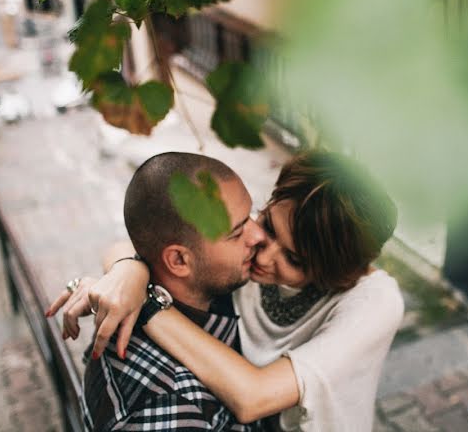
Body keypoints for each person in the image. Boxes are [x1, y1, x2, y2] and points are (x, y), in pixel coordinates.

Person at [53, 151, 405, 432]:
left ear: (328, 271)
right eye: (266, 224)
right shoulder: (239, 265)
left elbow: (253, 396)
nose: (261, 252)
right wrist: (127, 270)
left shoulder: (373, 301)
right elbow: (145, 244)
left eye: (294, 259)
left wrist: (145, 302)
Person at [52, 152, 266, 431]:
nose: (259, 236)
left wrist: (127, 267)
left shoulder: (208, 287)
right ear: (178, 261)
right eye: (236, 233)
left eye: (250, 215)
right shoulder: (166, 408)